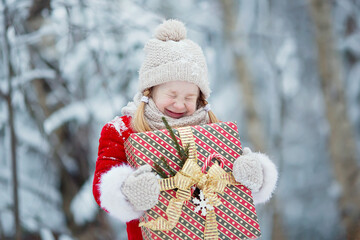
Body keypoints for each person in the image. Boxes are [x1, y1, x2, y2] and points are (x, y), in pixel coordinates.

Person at [92, 19, 278, 240]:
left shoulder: (212, 131)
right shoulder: (122, 130)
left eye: (189, 97)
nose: (179, 105)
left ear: (201, 98)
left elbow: (233, 189)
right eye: (171, 95)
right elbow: (102, 188)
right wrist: (127, 191)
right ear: (150, 91)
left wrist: (254, 175)